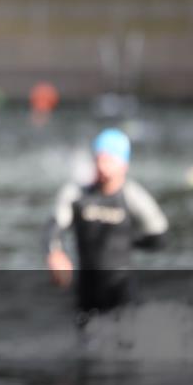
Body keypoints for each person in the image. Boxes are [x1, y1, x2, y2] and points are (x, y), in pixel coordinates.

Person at [45, 128, 168, 319]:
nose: (102, 165)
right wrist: (55, 253)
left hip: (121, 288)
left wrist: (129, 240)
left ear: (124, 164)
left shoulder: (133, 196)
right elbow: (54, 227)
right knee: (87, 345)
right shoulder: (77, 194)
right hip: (87, 289)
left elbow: (160, 237)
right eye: (99, 158)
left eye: (109, 159)